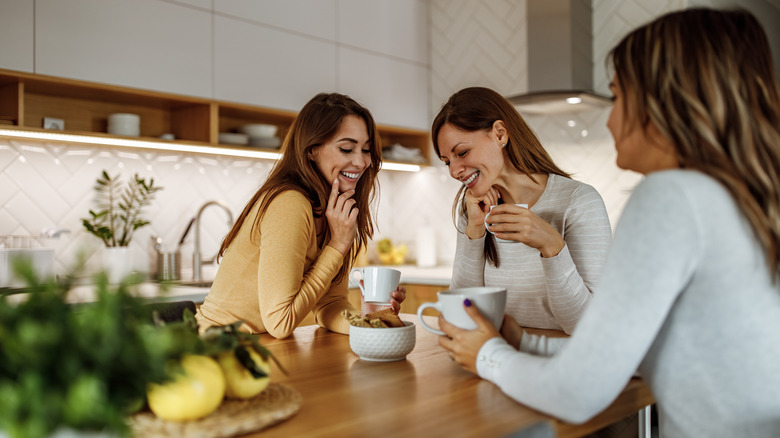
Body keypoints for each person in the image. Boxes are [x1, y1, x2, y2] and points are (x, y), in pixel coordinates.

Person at [438, 7, 780, 437]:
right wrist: (523, 343)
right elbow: (632, 357)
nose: (610, 118)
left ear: (664, 100)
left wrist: (488, 354)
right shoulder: (737, 198)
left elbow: (579, 392)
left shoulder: (672, 196)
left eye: (618, 96)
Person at [196, 93, 405, 339]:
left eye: (367, 150)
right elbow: (280, 322)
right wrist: (338, 245)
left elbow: (330, 304)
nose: (360, 161)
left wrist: (370, 325)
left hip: (256, 346)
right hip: (212, 345)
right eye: (346, 148)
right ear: (311, 150)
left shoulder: (336, 211)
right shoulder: (290, 204)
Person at [432, 86, 612, 334]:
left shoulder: (579, 201)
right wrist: (474, 232)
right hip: (495, 359)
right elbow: (463, 316)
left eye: (462, 152)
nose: (454, 171)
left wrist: (551, 246)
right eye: (447, 162)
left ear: (499, 134)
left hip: (562, 364)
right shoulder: (474, 210)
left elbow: (588, 326)